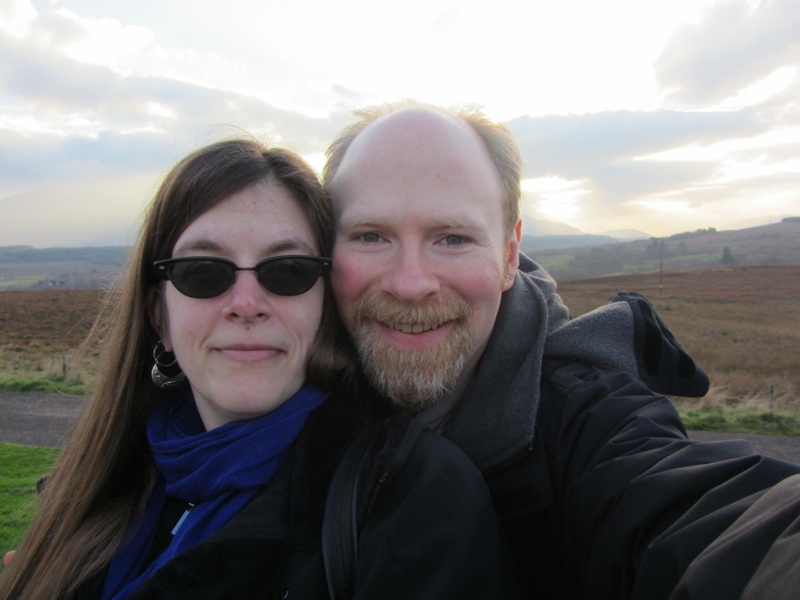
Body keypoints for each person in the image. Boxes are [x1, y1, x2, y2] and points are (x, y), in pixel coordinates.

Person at [320, 101, 800, 599]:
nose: (411, 284)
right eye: (370, 236)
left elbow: (703, 522)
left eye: (453, 238)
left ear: (509, 257)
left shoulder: (586, 424)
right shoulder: (279, 393)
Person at [0, 137, 515, 599]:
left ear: (323, 301)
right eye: (203, 272)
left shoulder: (408, 501)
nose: (246, 303)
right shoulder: (102, 486)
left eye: (286, 271)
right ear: (160, 314)